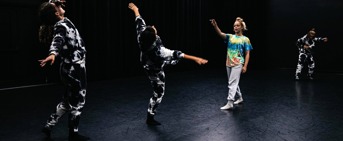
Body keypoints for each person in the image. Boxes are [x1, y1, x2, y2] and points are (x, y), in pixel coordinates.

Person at [128, 2, 208, 125]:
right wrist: (196, 58)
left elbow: (139, 20)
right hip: (154, 69)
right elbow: (179, 54)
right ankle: (150, 117)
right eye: (153, 30)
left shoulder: (141, 35)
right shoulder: (160, 51)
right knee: (159, 92)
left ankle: (169, 63)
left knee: (170, 60)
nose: (154, 27)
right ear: (154, 38)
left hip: (146, 61)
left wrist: (135, 9)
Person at [38, 0, 90, 140]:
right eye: (59, 6)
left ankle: (49, 124)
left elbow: (50, 7)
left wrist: (54, 2)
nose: (62, 6)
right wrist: (53, 53)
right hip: (75, 69)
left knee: (67, 101)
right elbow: (58, 40)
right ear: (56, 12)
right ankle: (73, 133)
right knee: (78, 101)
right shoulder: (60, 26)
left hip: (68, 68)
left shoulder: (62, 20)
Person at [210, 17, 252, 110]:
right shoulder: (230, 37)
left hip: (238, 63)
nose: (235, 27)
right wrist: (215, 26)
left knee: (232, 83)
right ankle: (240, 97)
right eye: (234, 26)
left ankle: (230, 102)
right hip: (228, 63)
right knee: (233, 82)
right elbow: (220, 33)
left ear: (241, 27)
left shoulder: (245, 39)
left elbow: (247, 53)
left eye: (237, 25)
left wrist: (245, 66)